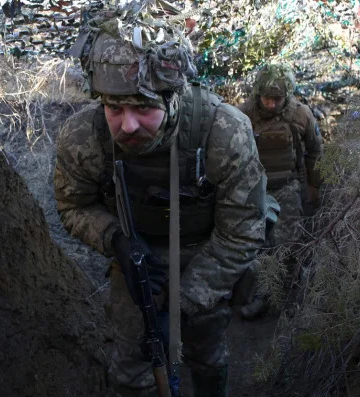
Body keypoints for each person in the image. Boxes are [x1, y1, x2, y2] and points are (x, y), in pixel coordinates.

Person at [54, 8, 266, 397]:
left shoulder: (224, 132)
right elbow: (73, 206)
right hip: (136, 266)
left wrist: (184, 302)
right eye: (114, 109)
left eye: (143, 108)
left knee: (207, 359)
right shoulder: (84, 136)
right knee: (131, 372)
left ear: (173, 99)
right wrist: (115, 238)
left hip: (207, 258)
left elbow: (242, 234)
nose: (127, 125)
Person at [236, 63, 323, 319]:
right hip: (254, 191)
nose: (272, 104)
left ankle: (294, 297)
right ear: (257, 94)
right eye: (267, 98)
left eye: (277, 99)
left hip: (287, 187)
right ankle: (262, 294)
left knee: (289, 245)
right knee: (257, 247)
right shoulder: (243, 115)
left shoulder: (301, 115)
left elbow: (315, 152)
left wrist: (314, 185)